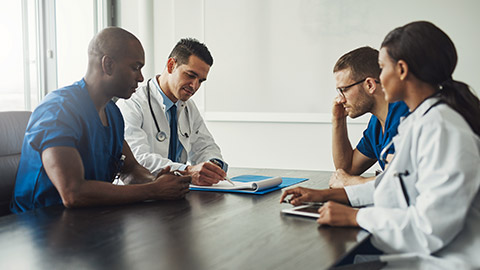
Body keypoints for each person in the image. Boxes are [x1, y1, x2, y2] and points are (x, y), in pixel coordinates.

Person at [281, 21, 480, 269]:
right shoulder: (420, 121)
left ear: (402, 70)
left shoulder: (442, 129)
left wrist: (356, 217)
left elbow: (430, 229)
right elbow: (393, 188)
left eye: (382, 67)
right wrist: (323, 195)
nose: (379, 78)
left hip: (448, 260)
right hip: (421, 253)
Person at [10, 27, 191, 213]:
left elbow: (130, 169)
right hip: (38, 227)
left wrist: (157, 180)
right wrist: (152, 190)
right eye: (135, 67)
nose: (141, 77)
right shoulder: (58, 109)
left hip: (89, 221)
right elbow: (73, 193)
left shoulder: (112, 113)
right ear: (108, 65)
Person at [116, 38, 227, 186]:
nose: (194, 86)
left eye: (201, 81)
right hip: (139, 196)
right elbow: (138, 160)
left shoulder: (188, 106)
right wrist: (186, 171)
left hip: (174, 193)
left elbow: (205, 145)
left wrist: (212, 165)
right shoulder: (132, 103)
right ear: (171, 65)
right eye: (190, 75)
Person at [330, 47, 409, 188]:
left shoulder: (405, 117)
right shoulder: (376, 124)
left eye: (344, 90)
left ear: (370, 85)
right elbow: (346, 170)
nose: (340, 99)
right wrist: (338, 120)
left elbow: (400, 182)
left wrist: (352, 182)